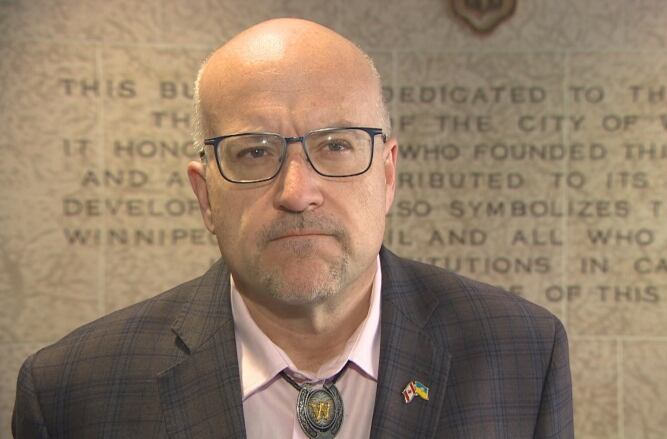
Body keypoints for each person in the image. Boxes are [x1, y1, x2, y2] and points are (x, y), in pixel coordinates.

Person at [12, 18, 573, 439]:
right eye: (254, 152)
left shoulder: (520, 353)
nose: (297, 191)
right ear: (205, 195)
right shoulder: (70, 394)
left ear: (388, 174)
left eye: (335, 145)